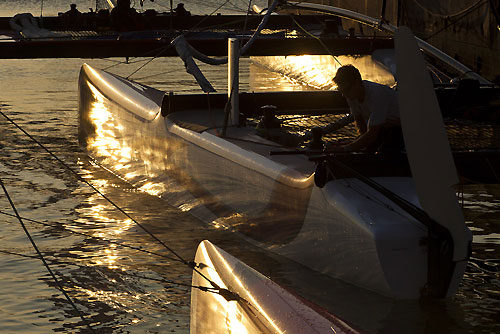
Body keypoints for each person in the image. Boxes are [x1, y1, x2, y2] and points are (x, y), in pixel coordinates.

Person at [305, 65, 402, 152]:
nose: (344, 95)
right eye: (341, 90)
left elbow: (372, 134)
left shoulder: (377, 95)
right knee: (366, 151)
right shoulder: (351, 96)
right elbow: (362, 127)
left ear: (357, 83)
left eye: (346, 90)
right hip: (385, 125)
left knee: (385, 153)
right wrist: (351, 144)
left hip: (403, 126)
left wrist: (346, 148)